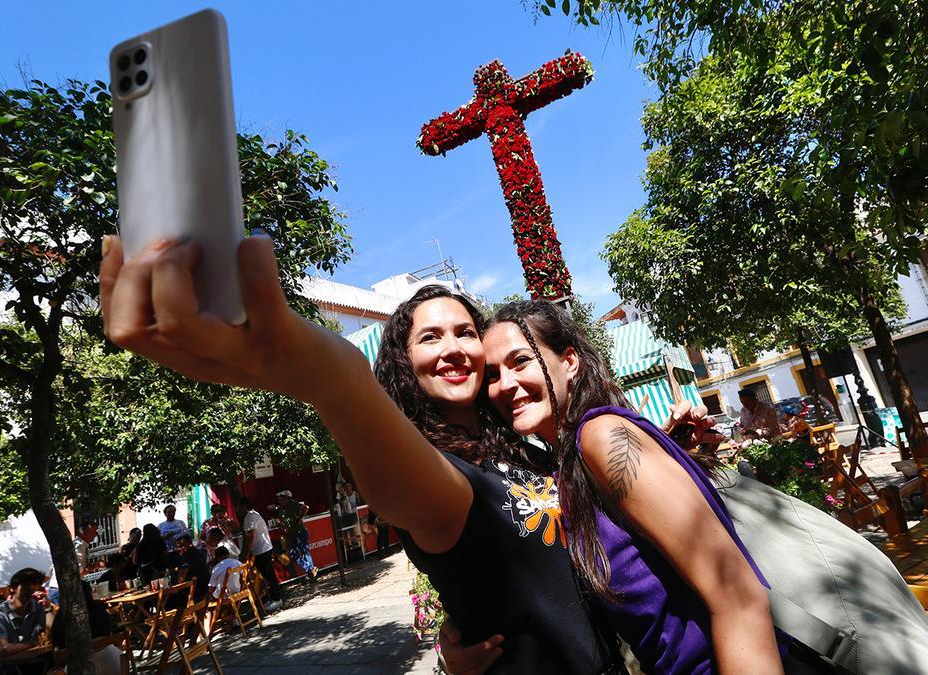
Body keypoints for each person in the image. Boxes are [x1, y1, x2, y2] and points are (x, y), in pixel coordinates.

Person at [100, 237, 621, 673]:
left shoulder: (520, 449)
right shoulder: (439, 474)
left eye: (465, 332)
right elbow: (426, 494)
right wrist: (335, 375)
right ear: (402, 360)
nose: (454, 348)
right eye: (430, 337)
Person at [480, 300, 785, 673]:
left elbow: (739, 596)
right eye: (492, 374)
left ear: (570, 362)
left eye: (520, 361)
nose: (505, 385)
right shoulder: (568, 464)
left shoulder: (602, 437)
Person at [0, 567, 53, 675]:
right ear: (11, 589)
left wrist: (47, 608)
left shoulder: (36, 607)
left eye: (35, 584)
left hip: (20, 664)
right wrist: (31, 644)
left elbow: (52, 636)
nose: (31, 588)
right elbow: (1, 650)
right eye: (26, 584)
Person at [236, 495, 285, 610]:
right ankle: (274, 598)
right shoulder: (251, 515)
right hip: (260, 550)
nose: (237, 509)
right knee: (266, 575)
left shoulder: (250, 517)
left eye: (238, 506)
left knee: (269, 575)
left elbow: (251, 536)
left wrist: (246, 553)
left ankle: (277, 599)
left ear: (244, 506)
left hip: (262, 550)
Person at [276, 490, 318, 582]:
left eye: (282, 498)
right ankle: (310, 570)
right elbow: (279, 520)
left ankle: (311, 575)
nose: (280, 500)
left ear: (287, 498)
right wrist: (282, 525)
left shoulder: (294, 504)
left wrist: (300, 518)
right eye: (279, 499)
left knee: (304, 551)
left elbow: (306, 507)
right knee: (293, 554)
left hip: (300, 531)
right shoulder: (281, 509)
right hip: (291, 534)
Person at [171, 534, 211, 603]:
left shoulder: (187, 558)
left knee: (170, 600)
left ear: (190, 544)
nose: (179, 549)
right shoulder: (200, 553)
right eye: (178, 547)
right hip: (206, 590)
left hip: (194, 594)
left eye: (181, 546)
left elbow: (181, 579)